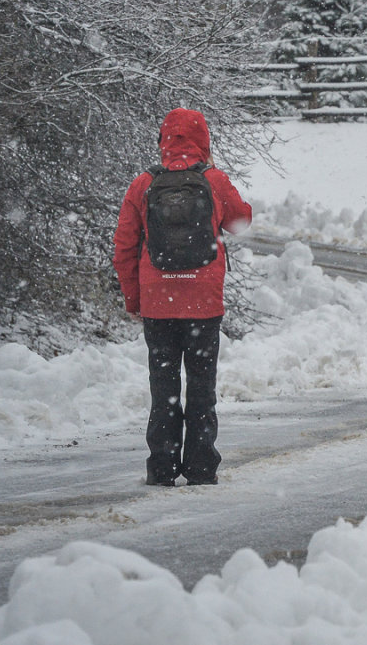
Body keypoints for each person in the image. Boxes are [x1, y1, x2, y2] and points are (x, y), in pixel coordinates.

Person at [113, 108, 252, 486]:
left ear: (163, 140)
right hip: (204, 304)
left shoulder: (142, 184)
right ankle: (201, 467)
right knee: (202, 387)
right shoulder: (214, 180)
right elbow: (241, 221)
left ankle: (161, 466)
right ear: (204, 140)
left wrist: (133, 298)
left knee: (164, 388)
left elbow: (124, 247)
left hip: (158, 305)